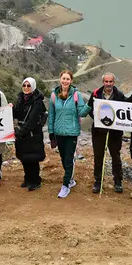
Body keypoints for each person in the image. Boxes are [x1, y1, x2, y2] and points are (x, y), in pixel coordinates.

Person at [48, 70, 91, 199]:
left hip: (72, 132)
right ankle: (71, 180)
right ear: (60, 79)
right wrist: (51, 131)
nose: (65, 81)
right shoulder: (54, 96)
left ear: (71, 81)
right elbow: (51, 115)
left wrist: (90, 104)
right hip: (59, 132)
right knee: (63, 158)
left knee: (68, 159)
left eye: (68, 79)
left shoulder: (76, 95)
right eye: (63, 78)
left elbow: (82, 113)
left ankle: (65, 185)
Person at [86, 72, 125, 194]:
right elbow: (89, 109)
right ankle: (98, 181)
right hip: (98, 132)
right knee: (98, 157)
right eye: (106, 82)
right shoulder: (96, 94)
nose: (108, 84)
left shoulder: (120, 95)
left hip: (115, 133)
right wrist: (97, 118)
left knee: (116, 157)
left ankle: (118, 181)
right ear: (103, 82)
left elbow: (125, 111)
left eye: (110, 82)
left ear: (114, 82)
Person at [13, 77, 47, 191]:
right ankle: (27, 178)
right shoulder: (21, 99)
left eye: (28, 85)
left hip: (33, 133)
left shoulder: (37, 102)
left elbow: (32, 120)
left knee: (33, 158)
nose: (26, 88)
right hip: (23, 132)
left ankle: (35, 180)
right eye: (24, 85)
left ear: (33, 86)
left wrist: (20, 132)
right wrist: (10, 109)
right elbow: (17, 113)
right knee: (24, 157)